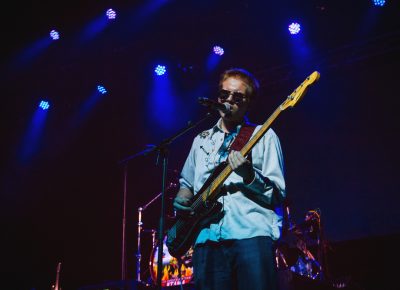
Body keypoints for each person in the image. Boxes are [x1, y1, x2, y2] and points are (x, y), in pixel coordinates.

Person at [173, 68, 286, 290]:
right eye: (224, 95)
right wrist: (182, 197)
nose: (229, 101)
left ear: (248, 103)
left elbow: (277, 194)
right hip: (207, 240)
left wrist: (249, 176)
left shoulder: (263, 136)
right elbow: (186, 183)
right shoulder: (200, 140)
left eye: (237, 97)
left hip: (250, 237)